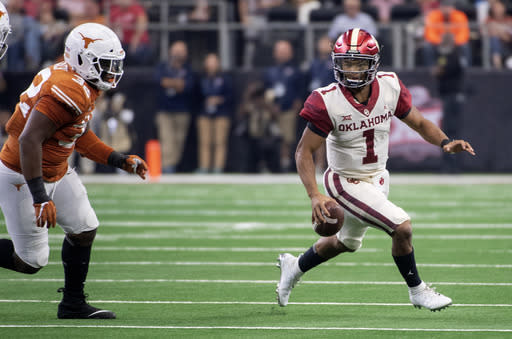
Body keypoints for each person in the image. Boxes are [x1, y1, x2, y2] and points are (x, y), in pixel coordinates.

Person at [276, 28, 475, 311]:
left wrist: (444, 143)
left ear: (372, 64)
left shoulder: (390, 86)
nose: (351, 70)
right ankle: (417, 290)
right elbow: (303, 151)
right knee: (402, 227)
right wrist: (314, 195)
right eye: (346, 63)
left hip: (378, 177)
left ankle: (293, 267)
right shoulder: (326, 100)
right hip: (344, 180)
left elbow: (418, 122)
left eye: (358, 63)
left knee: (345, 243)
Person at [0, 23, 148, 319]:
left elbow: (76, 134)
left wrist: (118, 159)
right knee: (30, 261)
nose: (112, 71)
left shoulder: (78, 82)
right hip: (23, 175)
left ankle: (72, 304)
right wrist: (40, 196)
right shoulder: (68, 89)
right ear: (81, 59)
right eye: (105, 64)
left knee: (84, 229)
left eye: (114, 64)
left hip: (56, 167)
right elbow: (29, 139)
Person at [154, 41, 195, 174]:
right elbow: (160, 81)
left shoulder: (188, 68)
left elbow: (187, 86)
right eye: (176, 50)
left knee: (179, 141)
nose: (178, 54)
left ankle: (173, 166)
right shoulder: (163, 67)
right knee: (167, 139)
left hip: (182, 110)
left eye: (181, 51)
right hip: (165, 110)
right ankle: (167, 168)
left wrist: (170, 83)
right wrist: (177, 84)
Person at [264, 40, 303, 172]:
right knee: (268, 136)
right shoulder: (270, 71)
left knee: (287, 139)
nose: (282, 54)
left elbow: (299, 93)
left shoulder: (296, 71)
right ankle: (268, 163)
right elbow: (266, 91)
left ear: (291, 53)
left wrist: (295, 107)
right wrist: (270, 107)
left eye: (285, 51)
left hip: (288, 111)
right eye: (280, 51)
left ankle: (285, 164)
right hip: (271, 111)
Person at [432, 33, 466, 173]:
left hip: (452, 95)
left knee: (451, 129)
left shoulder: (455, 54)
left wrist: (440, 70)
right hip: (446, 95)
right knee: (447, 129)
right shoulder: (444, 55)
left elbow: (448, 70)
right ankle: (449, 163)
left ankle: (454, 164)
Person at [196, 53, 233, 174]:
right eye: (209, 61)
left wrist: (219, 100)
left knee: (220, 141)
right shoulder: (201, 78)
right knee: (205, 141)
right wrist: (205, 102)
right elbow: (195, 96)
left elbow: (231, 96)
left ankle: (218, 167)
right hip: (204, 113)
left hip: (221, 113)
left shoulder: (225, 78)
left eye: (214, 61)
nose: (211, 64)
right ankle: (204, 167)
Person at [423, 0, 471, 67]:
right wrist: (441, 41)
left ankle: (465, 67)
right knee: (427, 46)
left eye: (448, 7)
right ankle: (431, 68)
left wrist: (453, 41)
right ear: (440, 8)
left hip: (455, 42)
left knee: (464, 46)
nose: (446, 10)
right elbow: (429, 33)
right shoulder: (433, 15)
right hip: (438, 42)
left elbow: (464, 33)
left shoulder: (460, 16)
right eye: (444, 7)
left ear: (453, 8)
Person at [109, 0, 152, 65]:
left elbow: (141, 26)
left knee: (138, 52)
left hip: (138, 43)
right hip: (121, 43)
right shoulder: (115, 11)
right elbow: (109, 27)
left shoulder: (136, 9)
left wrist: (134, 42)